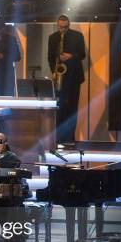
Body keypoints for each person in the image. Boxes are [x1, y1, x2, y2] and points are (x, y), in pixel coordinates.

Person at [47, 14, 85, 145]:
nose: (63, 30)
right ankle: (58, 138)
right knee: (59, 109)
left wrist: (71, 56)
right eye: (60, 27)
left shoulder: (77, 36)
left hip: (74, 77)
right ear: (57, 25)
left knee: (72, 108)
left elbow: (82, 54)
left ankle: (70, 138)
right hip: (60, 78)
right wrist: (55, 73)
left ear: (69, 25)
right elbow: (50, 58)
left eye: (65, 27)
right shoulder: (52, 38)